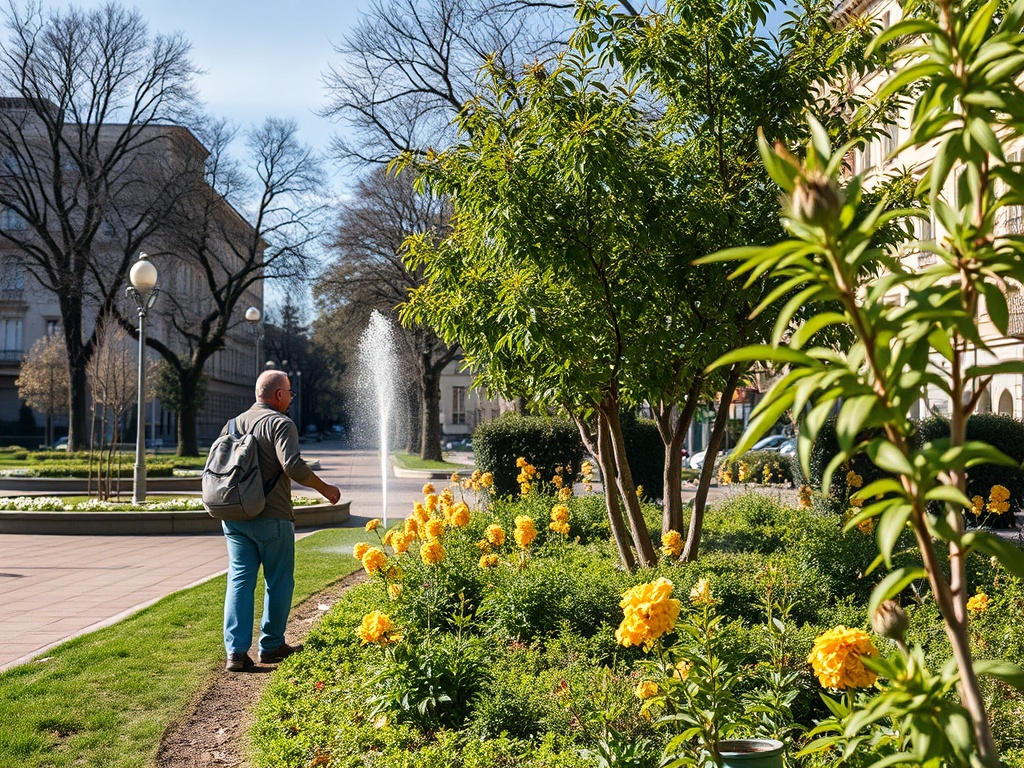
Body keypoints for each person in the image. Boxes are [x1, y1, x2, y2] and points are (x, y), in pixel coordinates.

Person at [222, 369, 342, 672]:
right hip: (271, 516)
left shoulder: (232, 424)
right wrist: (325, 488)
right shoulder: (280, 423)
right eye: (290, 392)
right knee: (278, 581)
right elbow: (293, 465)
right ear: (278, 395)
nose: (291, 398)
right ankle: (272, 645)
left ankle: (235, 653)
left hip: (233, 515)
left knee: (239, 580)